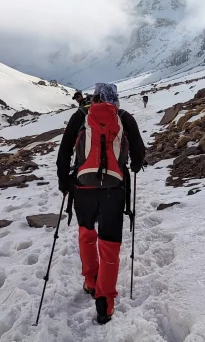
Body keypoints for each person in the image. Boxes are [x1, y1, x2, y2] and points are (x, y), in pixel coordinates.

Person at [57, 82, 145, 324]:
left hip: (82, 188)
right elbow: (138, 151)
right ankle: (105, 303)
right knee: (109, 244)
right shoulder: (124, 117)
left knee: (86, 233)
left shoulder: (81, 115)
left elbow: (64, 151)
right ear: (115, 98)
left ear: (94, 97)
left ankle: (90, 280)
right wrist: (134, 166)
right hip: (114, 190)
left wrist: (64, 182)